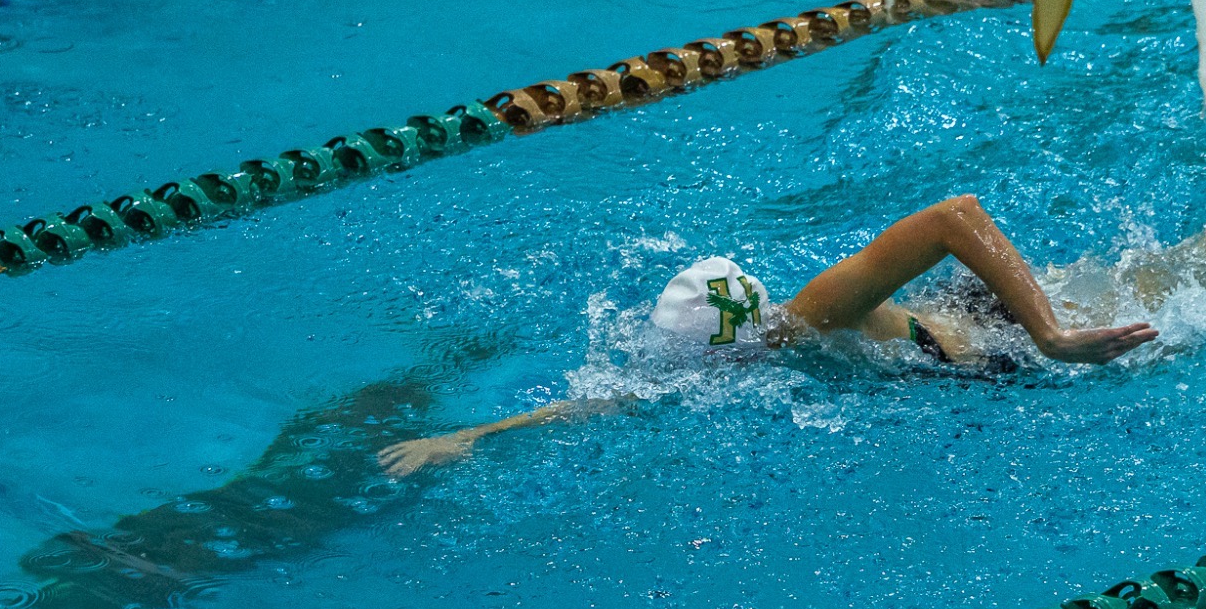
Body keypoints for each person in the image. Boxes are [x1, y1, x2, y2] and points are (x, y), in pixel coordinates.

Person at [376, 195, 1158, 477]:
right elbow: (616, 400)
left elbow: (955, 215)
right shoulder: (757, 340)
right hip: (965, 328)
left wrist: (1050, 335)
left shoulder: (812, 314)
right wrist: (478, 432)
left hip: (999, 345)